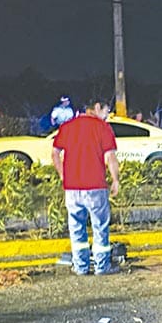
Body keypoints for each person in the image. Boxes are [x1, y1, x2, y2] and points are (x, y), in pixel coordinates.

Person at [52, 100, 121, 276]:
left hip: (72, 188)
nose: (107, 114)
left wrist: (62, 174)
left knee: (76, 228)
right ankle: (101, 266)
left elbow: (55, 153)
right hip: (95, 186)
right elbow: (110, 157)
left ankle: (81, 267)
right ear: (97, 107)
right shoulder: (102, 127)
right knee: (100, 228)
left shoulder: (67, 127)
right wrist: (115, 180)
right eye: (106, 110)